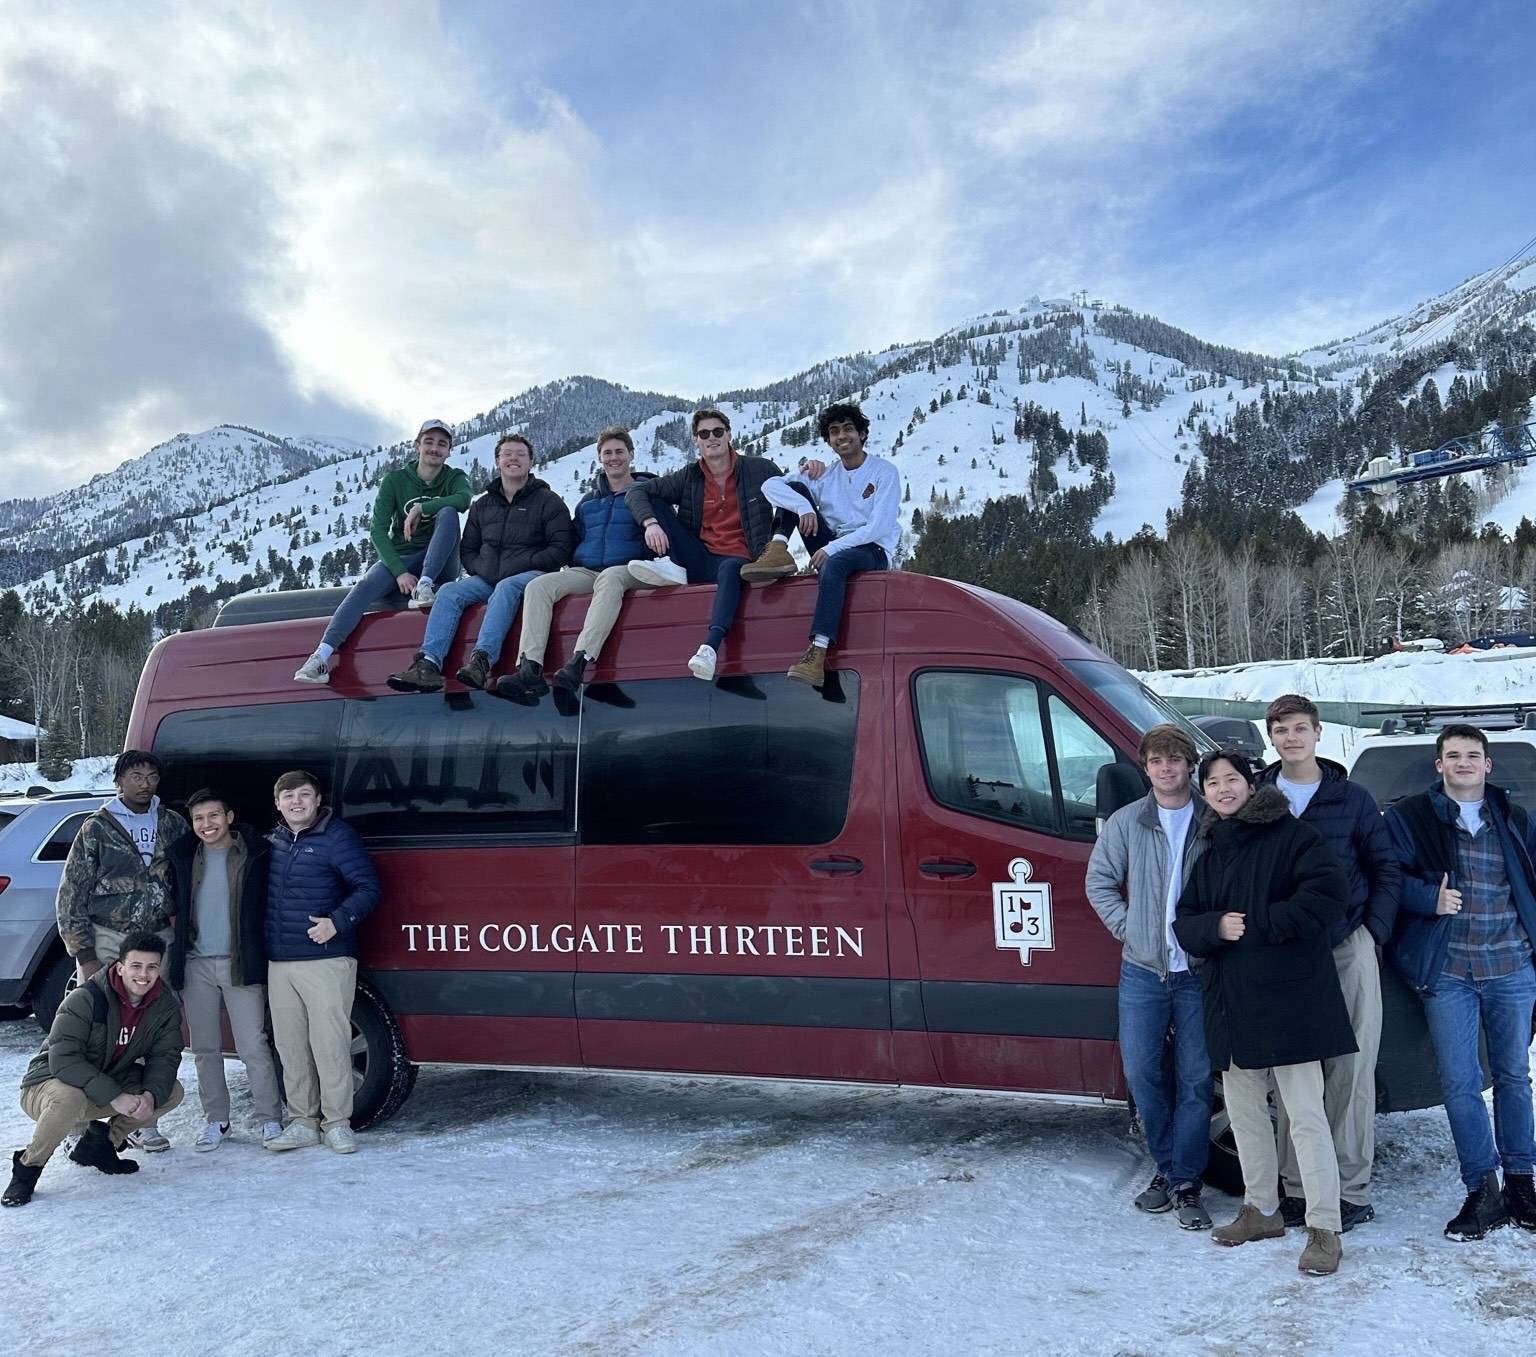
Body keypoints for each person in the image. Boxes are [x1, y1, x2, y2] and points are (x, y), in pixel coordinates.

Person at [1174, 751, 1355, 1277]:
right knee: (1247, 1114)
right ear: (1204, 793)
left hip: (1289, 1000)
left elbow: (1329, 894)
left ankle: (1325, 1227)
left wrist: (1262, 924)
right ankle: (1261, 1210)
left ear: (1251, 785)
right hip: (1232, 1003)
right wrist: (1216, 929)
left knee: (1304, 1116)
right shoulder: (1210, 850)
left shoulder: (1291, 836)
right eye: (1213, 782)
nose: (1223, 788)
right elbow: (1185, 921)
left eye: (1232, 779)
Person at [1384, 723, 1536, 1240]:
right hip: (1449, 973)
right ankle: (1482, 1190)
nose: (1464, 763)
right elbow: (1387, 877)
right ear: (1439, 765)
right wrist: (1428, 899)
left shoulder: (1514, 820)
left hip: (1512, 968)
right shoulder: (1410, 819)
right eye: (1454, 756)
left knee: (1514, 1077)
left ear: (1488, 765)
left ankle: (1521, 1181)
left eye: (1473, 755)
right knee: (1461, 1083)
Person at [1257, 694, 1400, 1233]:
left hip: (1346, 944)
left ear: (1319, 735)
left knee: (1352, 1071)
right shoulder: (1257, 797)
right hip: (1283, 952)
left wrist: (1373, 931)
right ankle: (1297, 1190)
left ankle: (1351, 1189)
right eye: (1281, 729)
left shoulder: (1352, 799)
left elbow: (1385, 867)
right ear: (1271, 736)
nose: (1291, 738)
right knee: (1293, 1074)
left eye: (1300, 728)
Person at [1085, 724, 1212, 1229]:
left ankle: (1186, 1181)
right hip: (1143, 971)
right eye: (1157, 761)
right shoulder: (1128, 821)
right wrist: (1130, 929)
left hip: (1199, 972)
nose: (1166, 768)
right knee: (1143, 1073)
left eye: (1175, 759)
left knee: (1198, 1080)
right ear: (1146, 767)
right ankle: (1166, 1168)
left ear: (1189, 764)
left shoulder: (1210, 819)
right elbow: (1099, 882)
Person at [55, 749, 188, 1151]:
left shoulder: (172, 823)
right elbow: (71, 891)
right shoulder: (97, 827)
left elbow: (187, 878)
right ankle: (76, 1126)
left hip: (157, 940)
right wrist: (84, 952)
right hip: (110, 938)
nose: (144, 782)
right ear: (119, 780)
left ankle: (139, 1119)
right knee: (97, 1030)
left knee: (152, 1028)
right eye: (135, 775)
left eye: (151, 775)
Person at [4, 933, 185, 1207]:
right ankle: (27, 1170)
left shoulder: (164, 1005)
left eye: (152, 967)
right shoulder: (87, 998)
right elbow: (64, 1060)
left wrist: (149, 1095)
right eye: (136, 966)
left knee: (170, 1091)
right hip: (47, 1084)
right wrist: (114, 1096)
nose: (144, 975)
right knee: (69, 1097)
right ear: (120, 966)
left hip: (104, 1081)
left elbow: (166, 1057)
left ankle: (100, 1145)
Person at [388, 433, 573, 693]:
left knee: (506, 587)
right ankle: (427, 665)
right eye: (507, 454)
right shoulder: (483, 505)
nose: (513, 459)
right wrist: (484, 569)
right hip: (487, 578)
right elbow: (469, 550)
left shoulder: (549, 502)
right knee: (450, 591)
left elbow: (561, 549)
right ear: (498, 462)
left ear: (531, 462)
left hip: (531, 576)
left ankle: (481, 662)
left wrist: (518, 565)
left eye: (520, 454)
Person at [295, 419, 472, 684]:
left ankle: (425, 585)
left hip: (441, 562)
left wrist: (423, 508)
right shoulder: (395, 481)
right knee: (364, 586)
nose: (435, 448)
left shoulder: (454, 478)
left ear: (449, 451)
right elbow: (377, 530)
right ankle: (320, 657)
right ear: (417, 446)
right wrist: (400, 573)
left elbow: (463, 500)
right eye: (429, 442)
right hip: (402, 556)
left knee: (448, 513)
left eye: (442, 444)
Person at [739, 402, 901, 687]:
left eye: (848, 429)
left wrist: (831, 549)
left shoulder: (884, 472)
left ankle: (818, 651)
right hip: (832, 546)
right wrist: (804, 507)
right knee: (796, 489)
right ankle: (777, 550)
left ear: (862, 434)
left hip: (872, 549)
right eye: (834, 432)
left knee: (835, 564)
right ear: (828, 440)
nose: (842, 436)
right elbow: (770, 487)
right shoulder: (825, 475)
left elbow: (879, 527)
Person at [263, 771, 380, 1154]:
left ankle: (337, 1123)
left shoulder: (337, 837)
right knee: (291, 1046)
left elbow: (368, 888)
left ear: (317, 800)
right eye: (288, 796)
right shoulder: (274, 841)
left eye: (304, 795)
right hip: (280, 961)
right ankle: (302, 1122)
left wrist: (337, 922)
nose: (296, 802)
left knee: (330, 1045)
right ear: (277, 803)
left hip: (326, 960)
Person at [498, 426, 660, 698]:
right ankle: (530, 667)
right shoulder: (588, 502)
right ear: (599, 457)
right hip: (588, 570)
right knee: (539, 586)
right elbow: (575, 539)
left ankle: (578, 662)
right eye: (607, 453)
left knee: (610, 579)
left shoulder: (648, 492)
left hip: (632, 568)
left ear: (631, 454)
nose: (613, 457)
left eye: (619, 451)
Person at [623, 410, 784, 682]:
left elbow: (790, 498)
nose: (712, 438)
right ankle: (673, 567)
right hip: (698, 557)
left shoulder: (760, 469)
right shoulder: (689, 477)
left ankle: (709, 647)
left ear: (729, 435)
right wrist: (651, 523)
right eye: (704, 434)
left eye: (718, 431)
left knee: (732, 567)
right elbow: (635, 492)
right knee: (655, 497)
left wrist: (777, 547)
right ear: (695, 440)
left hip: (741, 559)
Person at [166, 787, 283, 1150]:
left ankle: (270, 1119)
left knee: (254, 1046)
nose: (206, 824)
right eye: (198, 818)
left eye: (213, 816)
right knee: (204, 1048)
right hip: (195, 963)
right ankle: (216, 1120)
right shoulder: (184, 857)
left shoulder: (255, 853)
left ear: (229, 817)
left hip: (239, 963)